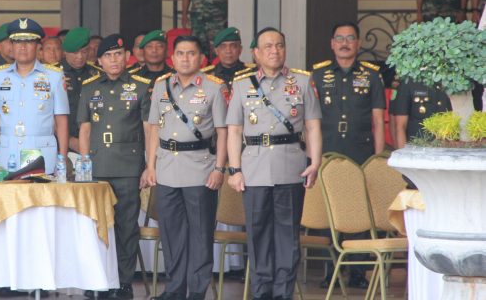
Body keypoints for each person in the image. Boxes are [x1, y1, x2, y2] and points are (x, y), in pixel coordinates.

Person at [226, 27, 322, 300]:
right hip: (253, 169)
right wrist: (235, 170)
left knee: (287, 237)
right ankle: (261, 292)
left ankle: (283, 293)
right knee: (258, 235)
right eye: (267, 46)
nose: (274, 50)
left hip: (290, 166)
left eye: (279, 45)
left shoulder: (301, 82)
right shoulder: (242, 85)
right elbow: (234, 130)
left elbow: (313, 126)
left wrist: (315, 162)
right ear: (255, 53)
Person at [142, 35, 228, 300]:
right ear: (173, 58)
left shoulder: (214, 87)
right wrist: (150, 165)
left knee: (201, 234)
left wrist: (219, 169)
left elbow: (224, 132)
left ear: (201, 58)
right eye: (180, 53)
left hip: (201, 169)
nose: (185, 58)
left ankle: (197, 291)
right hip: (167, 168)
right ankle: (175, 289)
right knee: (171, 234)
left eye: (191, 53)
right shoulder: (161, 86)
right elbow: (154, 128)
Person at [311, 22, 386, 289]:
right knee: (330, 211)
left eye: (350, 38)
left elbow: (378, 120)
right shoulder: (317, 76)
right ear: (332, 43)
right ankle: (330, 269)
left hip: (361, 151)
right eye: (339, 38)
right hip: (329, 150)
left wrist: (378, 160)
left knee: (360, 210)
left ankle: (358, 271)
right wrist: (313, 157)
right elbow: (311, 122)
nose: (344, 43)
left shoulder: (372, 76)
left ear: (358, 43)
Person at [78, 34, 151, 299]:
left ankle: (122, 280)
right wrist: (85, 165)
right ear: (99, 60)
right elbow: (85, 131)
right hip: (97, 169)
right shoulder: (89, 88)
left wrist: (148, 166)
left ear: (128, 57)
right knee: (95, 227)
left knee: (126, 226)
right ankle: (97, 279)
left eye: (118, 55)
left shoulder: (141, 87)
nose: (113, 60)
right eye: (108, 56)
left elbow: (149, 131)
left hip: (129, 168)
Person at [0, 17, 69, 174]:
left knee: (40, 198)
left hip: (41, 153)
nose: (22, 47)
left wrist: (62, 158)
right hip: (6, 154)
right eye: (18, 42)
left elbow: (61, 121)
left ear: (38, 46)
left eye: (29, 41)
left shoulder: (54, 76)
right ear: (11, 45)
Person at [62, 27, 103, 153]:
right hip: (62, 144)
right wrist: (68, 140)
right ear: (65, 52)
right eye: (75, 53)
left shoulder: (98, 74)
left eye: (84, 52)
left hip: (94, 142)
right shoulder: (53, 74)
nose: (80, 56)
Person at [390, 81, 451, 148]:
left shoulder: (447, 82)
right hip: (415, 148)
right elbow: (400, 127)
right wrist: (403, 155)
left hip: (442, 149)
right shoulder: (407, 84)